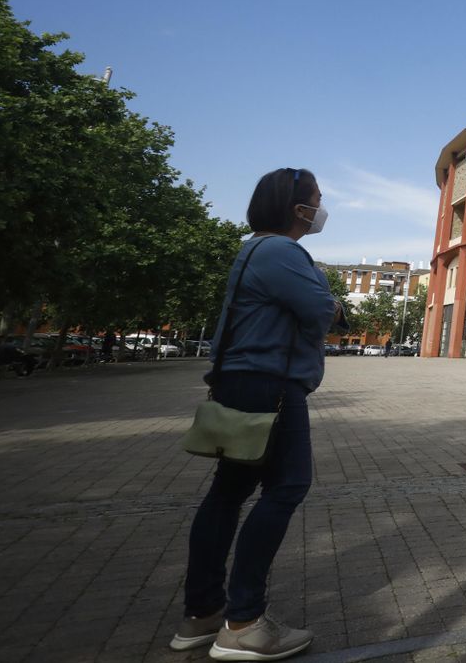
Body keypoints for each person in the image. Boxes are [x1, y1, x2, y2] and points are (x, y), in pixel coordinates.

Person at [174, 167, 343, 662]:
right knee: (287, 486)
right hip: (270, 384)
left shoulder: (258, 249)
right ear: (298, 209)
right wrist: (323, 294)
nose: (321, 207)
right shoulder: (279, 251)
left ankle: (202, 614)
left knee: (228, 492)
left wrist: (322, 297)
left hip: (244, 380)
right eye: (317, 199)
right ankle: (244, 621)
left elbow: (320, 307)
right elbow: (320, 311)